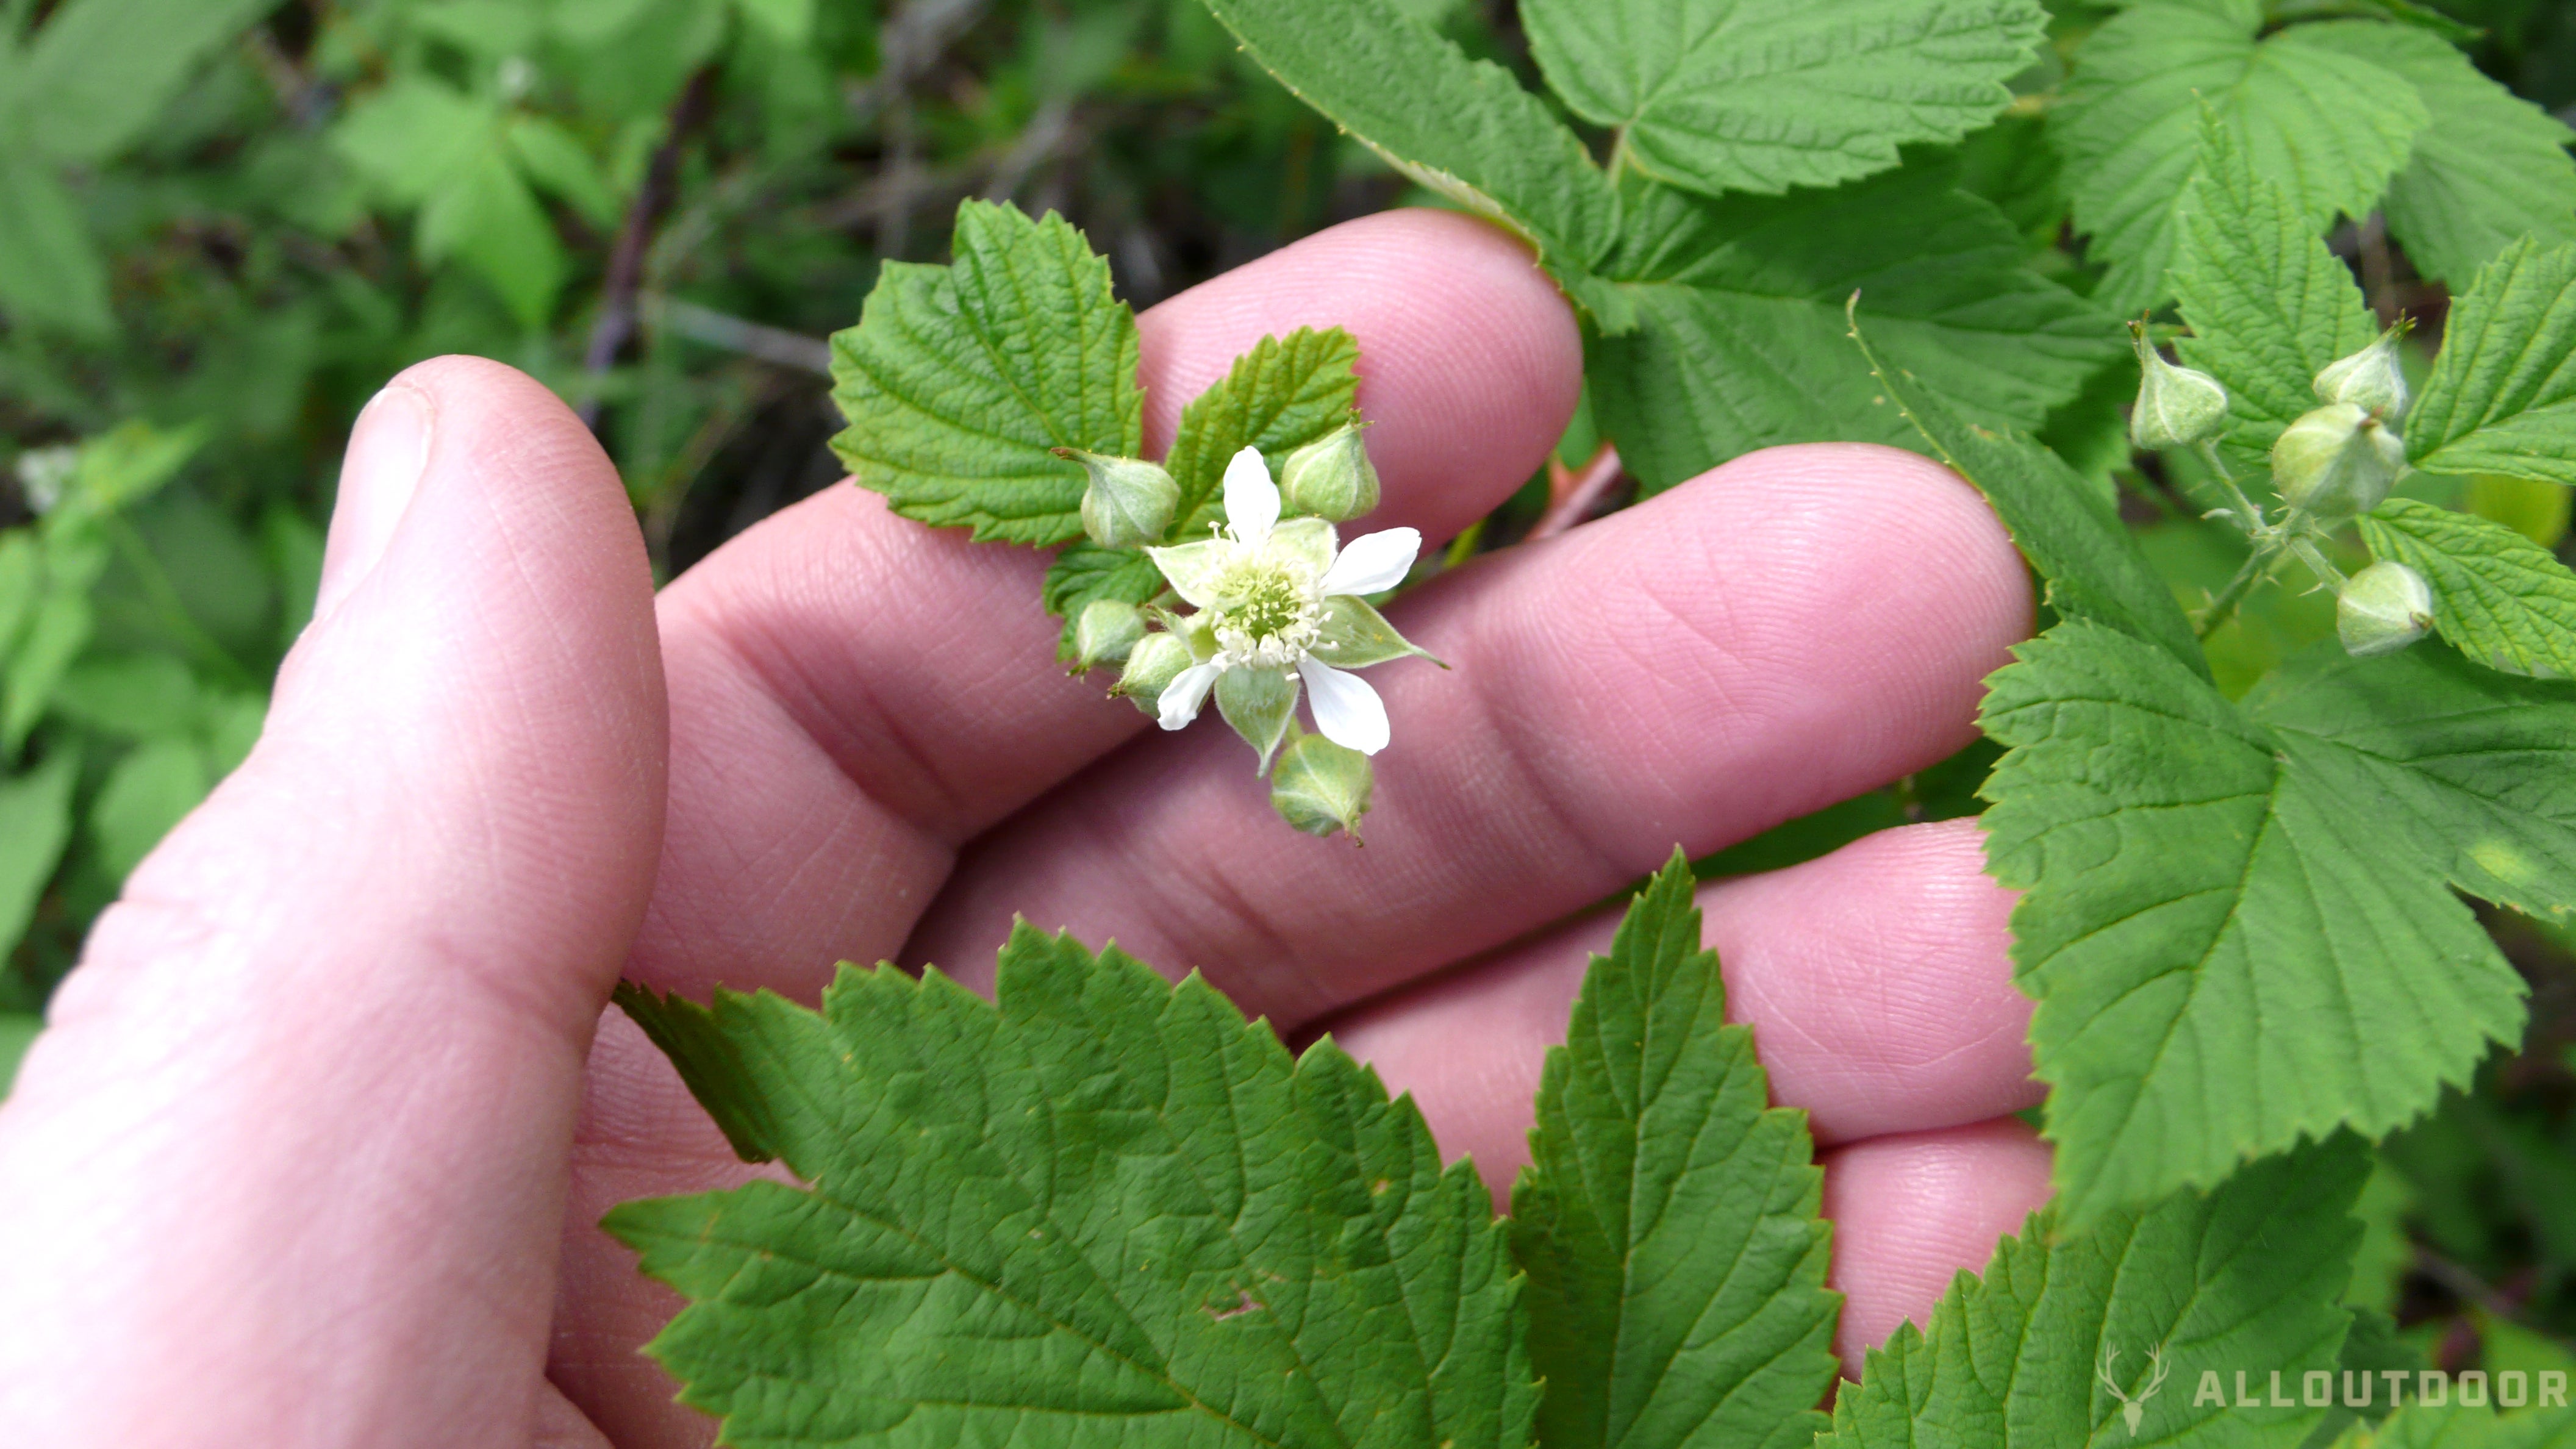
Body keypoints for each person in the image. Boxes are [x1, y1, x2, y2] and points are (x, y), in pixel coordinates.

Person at [0, 210, 2056, 1447]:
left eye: (1270, 598)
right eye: (1243, 602)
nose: (1259, 609)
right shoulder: (1208, 612)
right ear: (1220, 590)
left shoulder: (1268, 618)